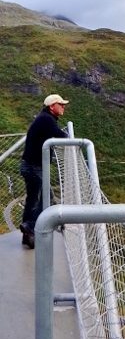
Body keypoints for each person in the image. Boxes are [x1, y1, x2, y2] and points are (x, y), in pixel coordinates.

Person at [19, 94, 69, 249]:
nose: (63, 107)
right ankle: (31, 225)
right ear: (52, 106)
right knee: (46, 200)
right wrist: (68, 136)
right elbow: (61, 135)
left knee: (33, 200)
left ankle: (27, 233)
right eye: (60, 104)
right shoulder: (47, 119)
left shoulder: (44, 118)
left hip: (29, 165)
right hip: (34, 167)